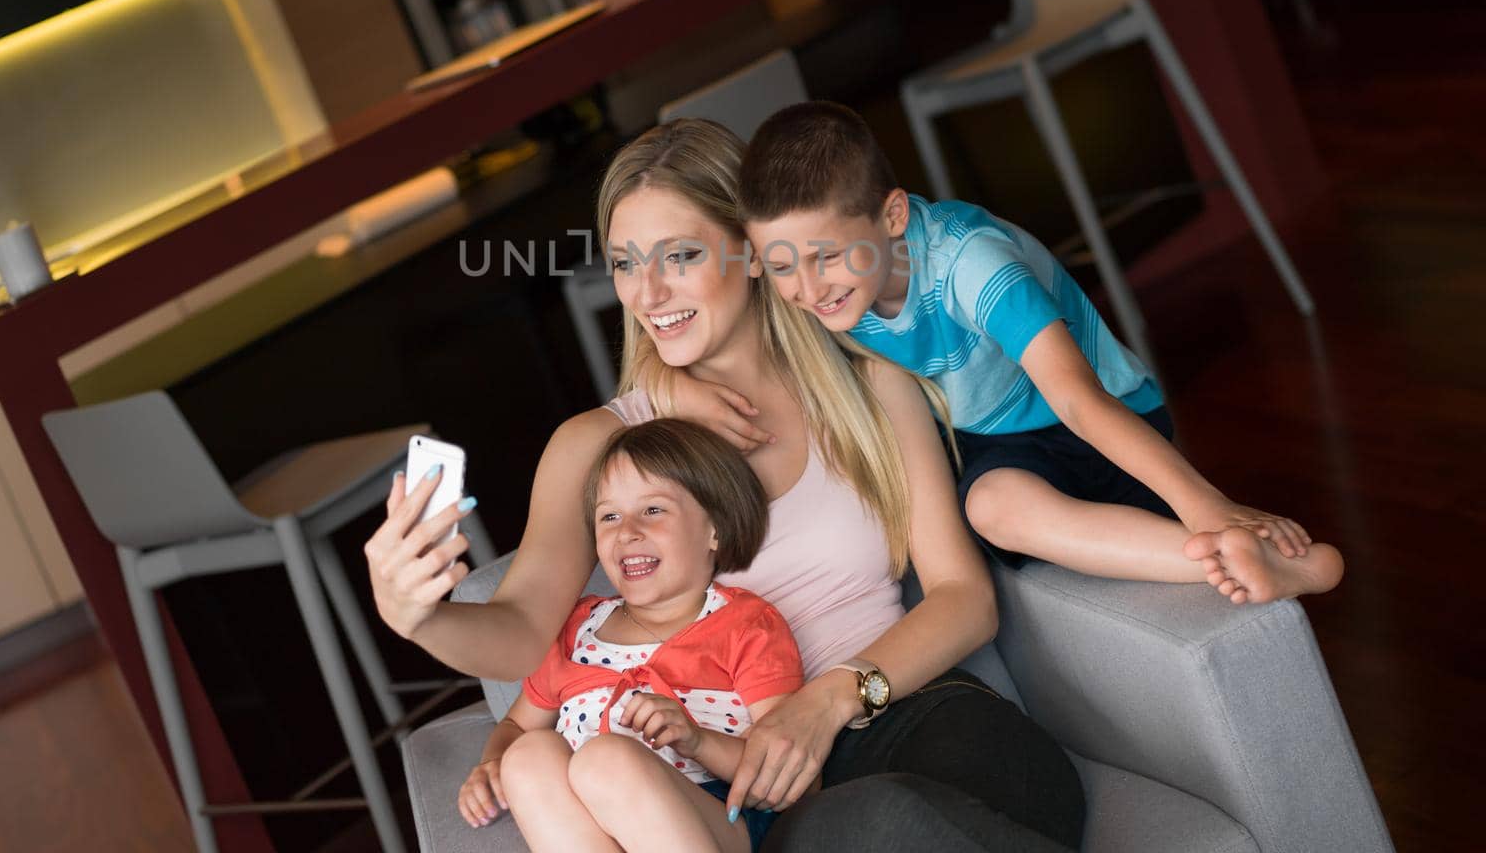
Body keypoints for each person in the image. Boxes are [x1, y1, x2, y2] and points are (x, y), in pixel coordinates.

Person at [367, 117, 1084, 852]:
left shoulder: (869, 384)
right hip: (746, 786)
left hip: (910, 722)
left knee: (900, 814)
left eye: (679, 255)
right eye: (624, 263)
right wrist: (417, 618)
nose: (647, 293)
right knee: (857, 828)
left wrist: (827, 699)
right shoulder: (596, 446)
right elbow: (520, 631)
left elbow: (965, 602)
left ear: (749, 250)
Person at [702, 101, 1342, 606]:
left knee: (1064, 470)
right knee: (990, 508)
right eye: (782, 266)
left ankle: (1254, 548)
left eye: (827, 258)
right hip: (1003, 447)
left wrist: (1207, 504)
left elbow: (1078, 399)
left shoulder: (971, 263)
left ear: (892, 216)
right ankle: (1230, 561)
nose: (807, 290)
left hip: (1102, 419)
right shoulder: (819, 292)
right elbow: (733, 348)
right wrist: (688, 393)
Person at [458, 418, 804, 852]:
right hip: (599, 833)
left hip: (716, 818)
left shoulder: (745, 624)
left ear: (714, 528)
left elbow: (782, 764)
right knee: (528, 756)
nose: (627, 531)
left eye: (653, 510)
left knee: (604, 760)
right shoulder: (576, 632)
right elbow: (515, 724)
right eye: (609, 516)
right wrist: (493, 763)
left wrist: (698, 742)